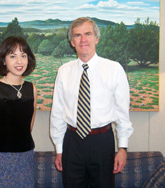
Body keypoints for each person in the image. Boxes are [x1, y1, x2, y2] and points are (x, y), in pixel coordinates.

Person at [50, 17, 134, 188]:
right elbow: (57, 112)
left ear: (96, 38)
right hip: (72, 142)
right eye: (77, 35)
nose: (83, 40)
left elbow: (122, 112)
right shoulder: (63, 71)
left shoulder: (114, 69)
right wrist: (59, 149)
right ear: (72, 42)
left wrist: (123, 148)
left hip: (102, 142)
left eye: (88, 34)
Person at [0, 36, 37, 187]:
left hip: (26, 156)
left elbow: (28, 126)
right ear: (4, 60)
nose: (19, 61)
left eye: (23, 56)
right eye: (13, 56)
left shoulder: (32, 89)